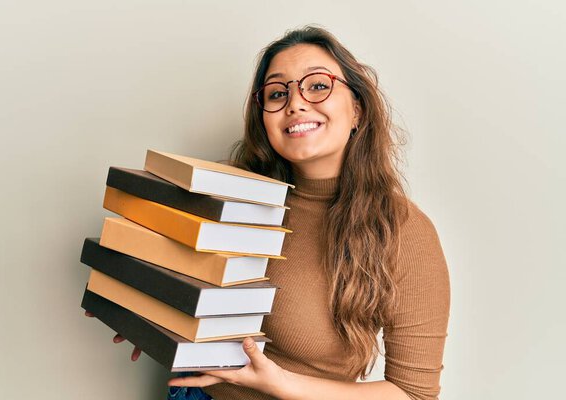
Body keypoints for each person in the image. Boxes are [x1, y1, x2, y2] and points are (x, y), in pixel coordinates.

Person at [111, 25, 450, 400]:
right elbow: (185, 282)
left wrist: (280, 383)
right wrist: (148, 313)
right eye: (277, 92)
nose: (296, 103)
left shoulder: (404, 231)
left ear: (357, 108)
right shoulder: (229, 192)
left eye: (318, 85)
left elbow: (413, 394)